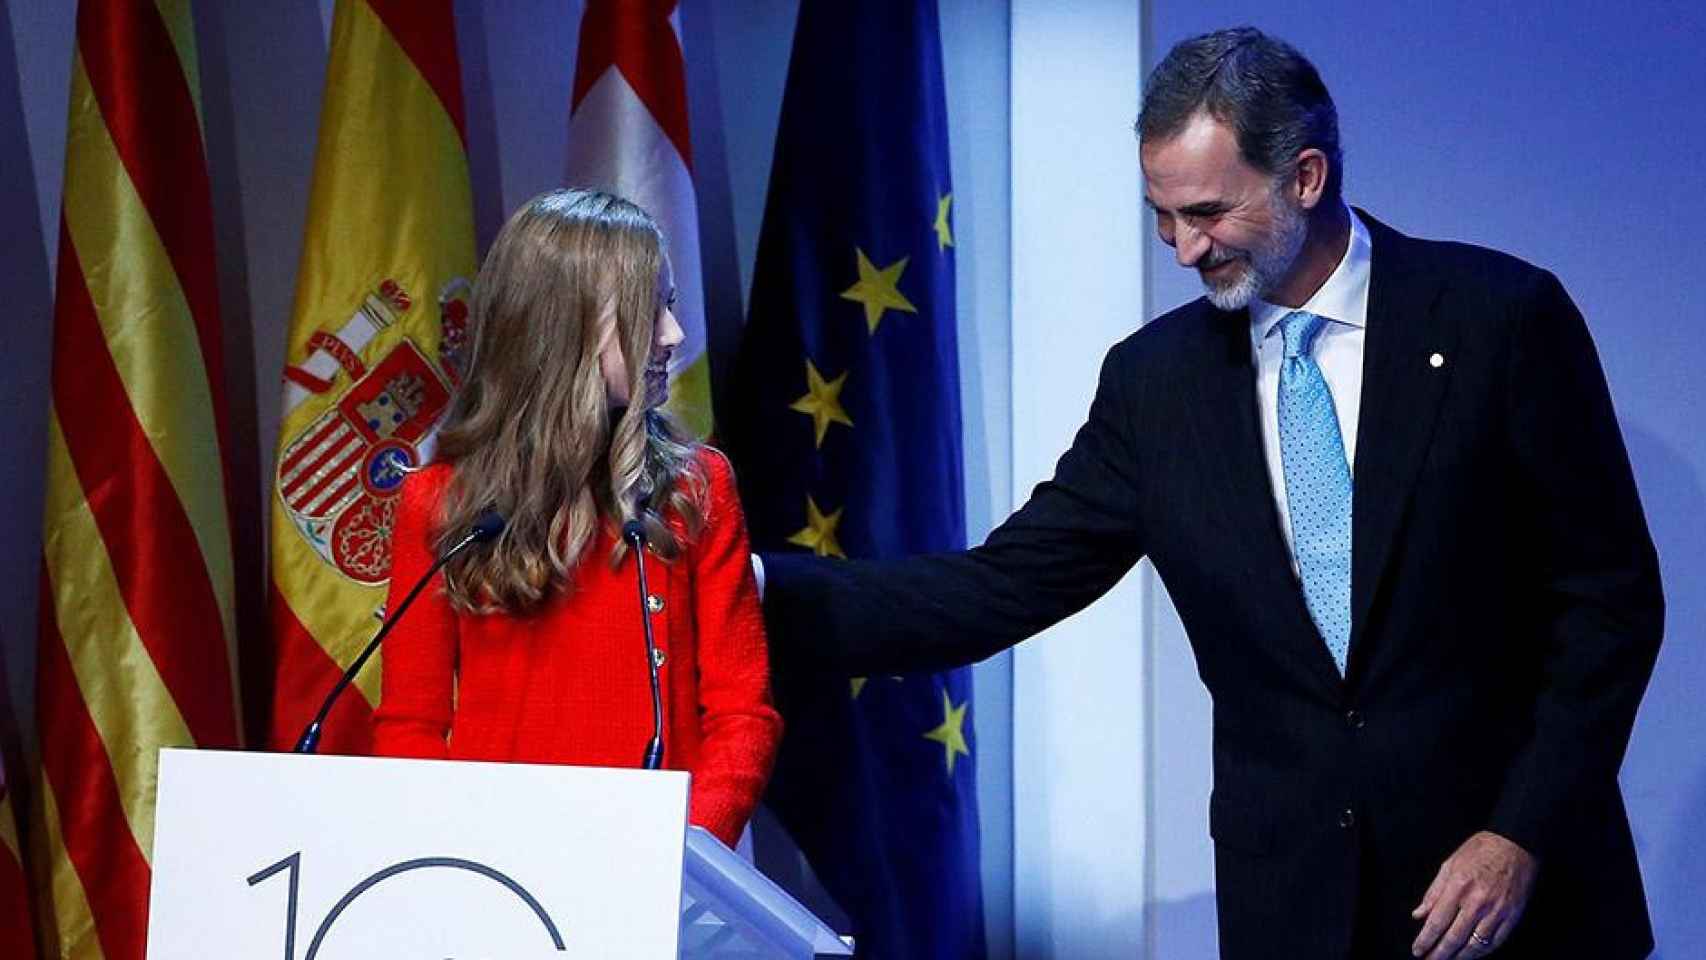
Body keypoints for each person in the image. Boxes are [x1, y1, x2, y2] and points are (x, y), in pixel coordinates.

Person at [758, 27, 1662, 960]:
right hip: (1297, 914)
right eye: (1161, 215)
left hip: (1510, 903)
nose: (1182, 249)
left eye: (1208, 212)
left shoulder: (1498, 320)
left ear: (1305, 178)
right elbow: (996, 587)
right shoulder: (1157, 386)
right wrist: (745, 588)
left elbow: (1610, 605)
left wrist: (1519, 833)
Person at [374, 189, 781, 849]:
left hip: (663, 874)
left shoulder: (697, 489)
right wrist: (454, 857)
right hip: (496, 878)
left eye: (670, 306)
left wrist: (688, 856)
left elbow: (742, 714)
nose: (674, 336)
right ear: (565, 328)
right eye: (650, 311)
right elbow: (409, 725)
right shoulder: (440, 502)